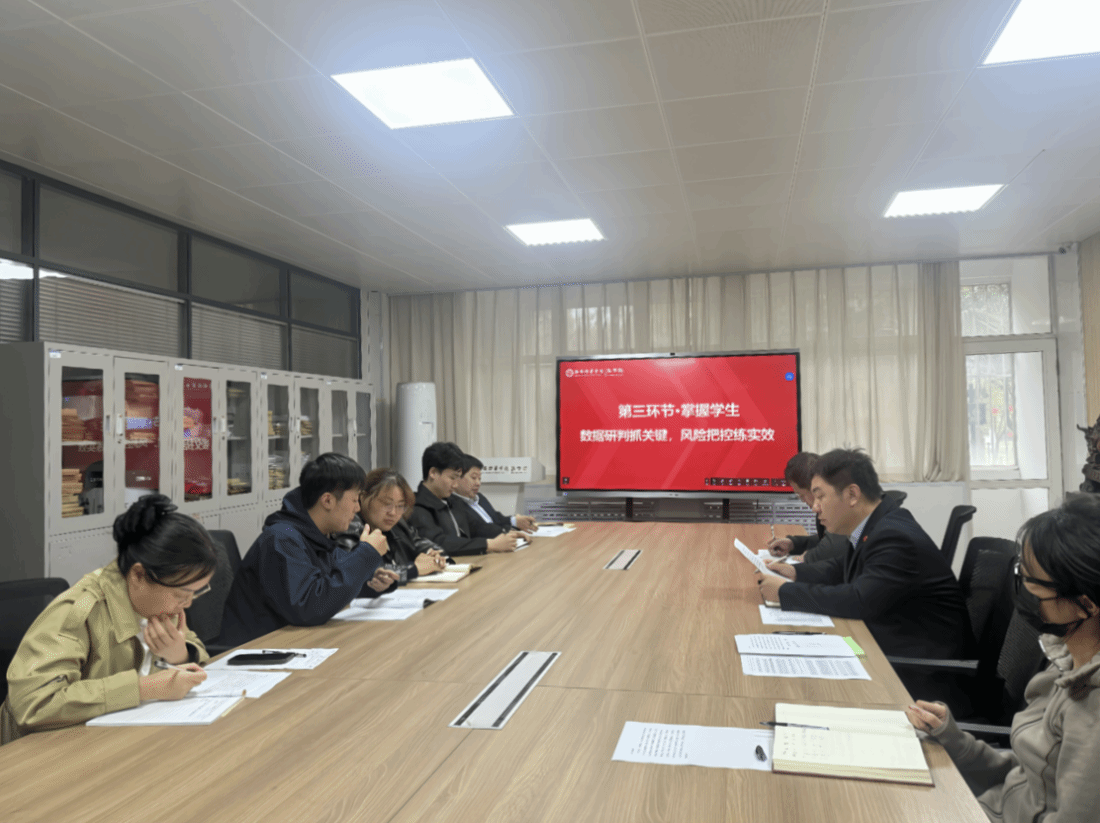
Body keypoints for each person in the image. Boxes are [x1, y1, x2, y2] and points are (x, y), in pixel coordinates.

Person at [906, 494, 1100, 823]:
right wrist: (953, 739)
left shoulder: (1092, 711)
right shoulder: (1065, 660)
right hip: (988, 805)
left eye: (1032, 582)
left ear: (1086, 604)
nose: (1022, 588)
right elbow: (1030, 775)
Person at [2, 494, 215, 744]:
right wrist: (144, 688)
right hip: (43, 750)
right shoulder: (80, 610)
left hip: (117, 738)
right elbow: (34, 703)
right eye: (182, 594)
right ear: (138, 575)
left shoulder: (160, 603)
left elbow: (196, 651)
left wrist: (181, 655)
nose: (187, 604)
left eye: (196, 593)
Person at [758, 448, 972, 661]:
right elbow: (844, 566)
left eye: (820, 496)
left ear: (852, 495)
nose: (815, 507)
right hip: (887, 642)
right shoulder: (876, 523)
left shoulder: (894, 536)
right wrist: (796, 572)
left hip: (918, 665)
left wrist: (785, 593)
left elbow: (859, 601)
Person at [217, 453, 395, 647]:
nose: (358, 508)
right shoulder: (282, 538)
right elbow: (310, 607)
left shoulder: (317, 537)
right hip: (257, 649)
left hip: (292, 643)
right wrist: (366, 553)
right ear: (327, 500)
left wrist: (372, 582)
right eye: (354, 500)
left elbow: (333, 582)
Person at [338, 468, 449, 587]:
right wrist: (414, 569)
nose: (393, 512)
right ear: (363, 497)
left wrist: (433, 555)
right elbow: (361, 575)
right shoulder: (349, 526)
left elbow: (417, 542)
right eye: (387, 504)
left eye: (400, 506)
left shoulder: (397, 523)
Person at [409, 442, 518, 556]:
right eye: (452, 478)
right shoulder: (417, 506)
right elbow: (439, 543)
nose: (456, 485)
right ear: (433, 473)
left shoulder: (452, 500)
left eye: (458, 478)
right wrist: (488, 545)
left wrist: (507, 533)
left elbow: (476, 527)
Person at [766, 451, 849, 563]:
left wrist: (808, 558)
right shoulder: (824, 507)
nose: (802, 501)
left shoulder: (838, 508)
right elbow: (824, 539)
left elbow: (836, 545)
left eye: (801, 495)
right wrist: (793, 544)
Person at [451, 453, 537, 534]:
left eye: (479, 478)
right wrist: (507, 531)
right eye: (474, 477)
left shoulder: (479, 497)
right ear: (457, 477)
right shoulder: (452, 505)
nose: (478, 483)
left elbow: (496, 518)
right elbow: (480, 530)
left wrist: (515, 521)